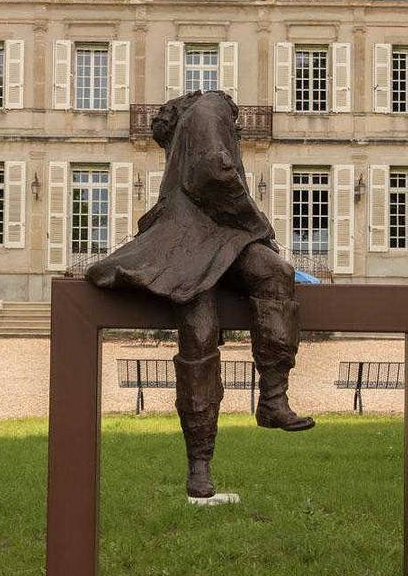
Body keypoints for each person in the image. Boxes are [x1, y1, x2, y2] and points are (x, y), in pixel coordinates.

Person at [88, 91, 313, 498]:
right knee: (216, 319)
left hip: (217, 238)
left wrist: (248, 230)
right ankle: (263, 406)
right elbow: (214, 172)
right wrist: (259, 226)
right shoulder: (211, 110)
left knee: (211, 328)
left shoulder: (206, 110)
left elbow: (211, 171)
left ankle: (212, 455)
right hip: (192, 240)